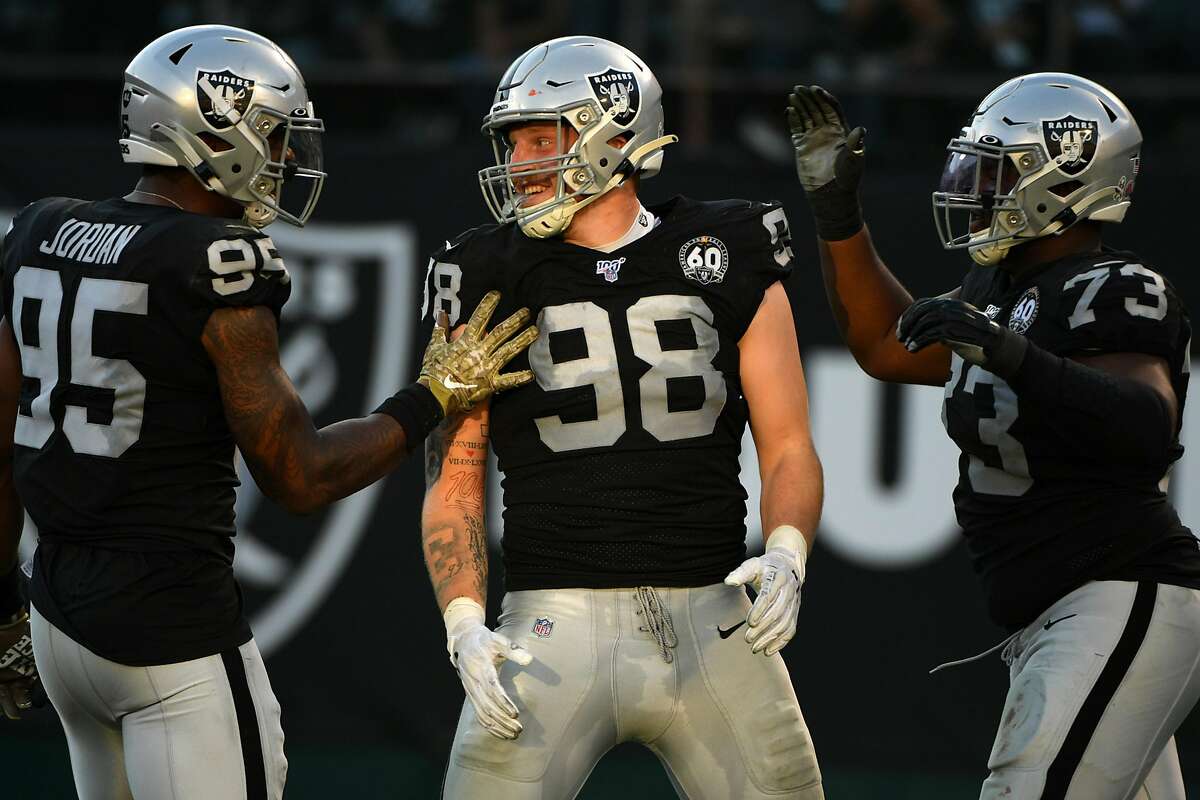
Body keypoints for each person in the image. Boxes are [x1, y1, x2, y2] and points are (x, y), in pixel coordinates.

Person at [0, 24, 536, 800]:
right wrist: (433, 396)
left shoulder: (42, 230)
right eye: (276, 135)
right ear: (213, 129)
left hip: (58, 626)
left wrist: (2, 606)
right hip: (170, 638)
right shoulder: (217, 259)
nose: (285, 158)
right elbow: (298, 474)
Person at [420, 35, 825, 800]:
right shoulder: (481, 269)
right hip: (550, 624)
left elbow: (789, 446)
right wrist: (464, 621)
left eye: (543, 138)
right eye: (513, 143)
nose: (519, 162)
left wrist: (787, 551)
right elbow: (456, 473)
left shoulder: (729, 243)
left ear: (616, 132)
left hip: (715, 619)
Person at [788, 73, 1200, 798]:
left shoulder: (1117, 286)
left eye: (998, 171)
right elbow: (886, 343)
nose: (977, 189)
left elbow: (1146, 421)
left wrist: (1011, 354)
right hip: (1058, 609)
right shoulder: (998, 289)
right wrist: (838, 216)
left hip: (1118, 592)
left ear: (1064, 175)